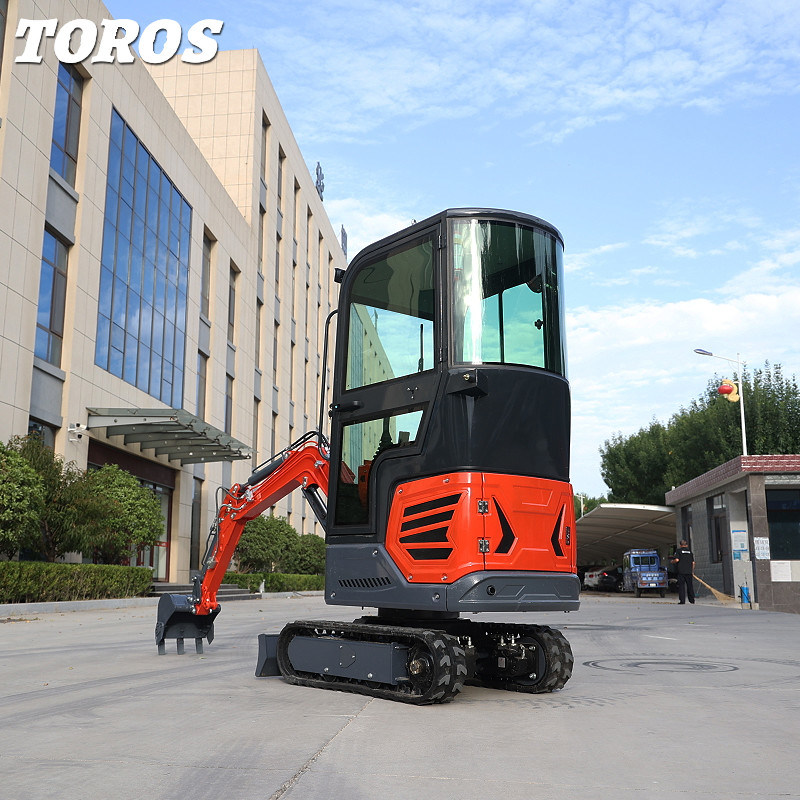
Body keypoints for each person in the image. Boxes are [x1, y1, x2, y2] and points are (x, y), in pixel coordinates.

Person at [671, 539, 695, 605]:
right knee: (690, 586)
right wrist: (692, 571)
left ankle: (682, 600)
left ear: (680, 545)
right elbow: (693, 563)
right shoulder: (690, 552)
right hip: (689, 572)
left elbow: (677, 560)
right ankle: (692, 600)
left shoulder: (678, 551)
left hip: (681, 572)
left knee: (681, 586)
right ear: (686, 545)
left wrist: (672, 561)